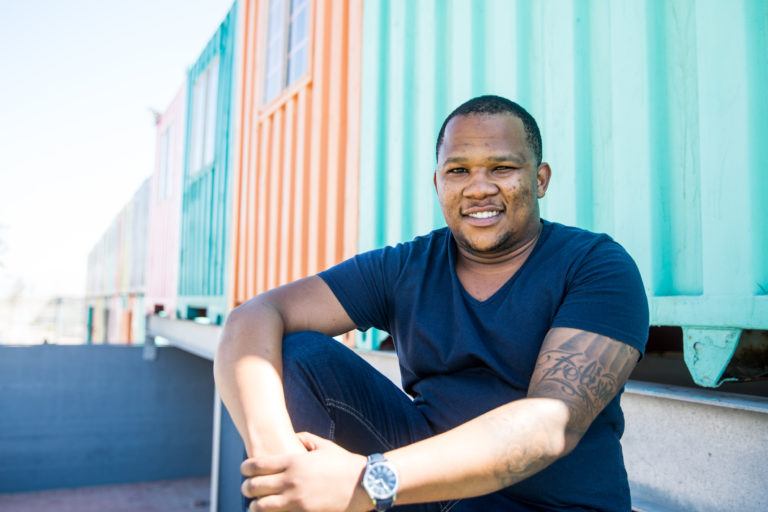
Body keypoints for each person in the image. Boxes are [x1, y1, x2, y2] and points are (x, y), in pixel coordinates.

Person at [214, 95, 649, 512]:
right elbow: (254, 316)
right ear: (438, 181)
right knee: (299, 356)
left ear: (539, 179)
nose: (479, 188)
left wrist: (369, 480)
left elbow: (552, 424)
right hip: (429, 495)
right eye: (459, 170)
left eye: (501, 167)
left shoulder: (595, 265)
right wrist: (277, 455)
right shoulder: (407, 267)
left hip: (549, 506)